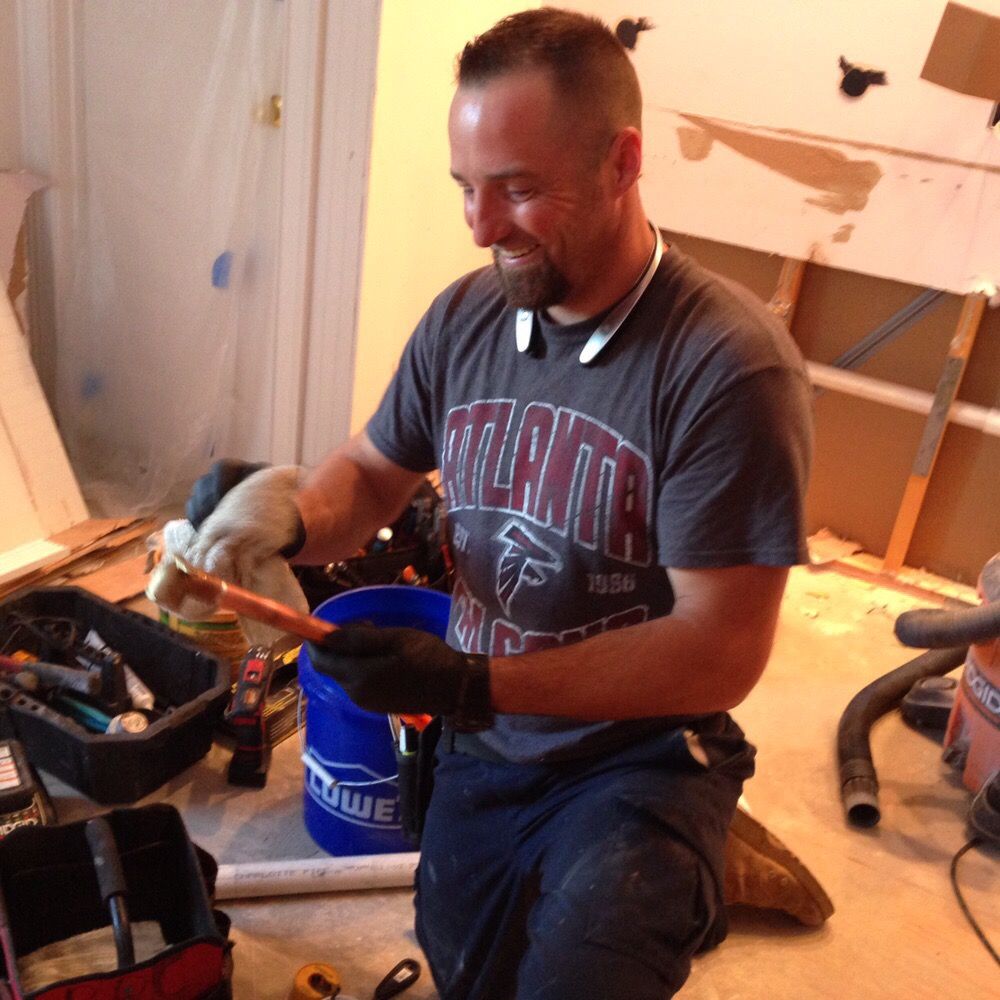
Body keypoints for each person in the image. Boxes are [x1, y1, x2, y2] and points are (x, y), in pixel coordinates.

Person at [180, 9, 822, 998]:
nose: (481, 228)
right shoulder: (468, 315)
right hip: (487, 743)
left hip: (639, 757)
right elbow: (374, 470)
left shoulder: (726, 369)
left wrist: (473, 681)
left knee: (587, 961)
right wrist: (293, 518)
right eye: (466, 188)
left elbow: (720, 650)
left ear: (622, 163)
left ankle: (698, 847)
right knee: (467, 967)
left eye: (518, 189)